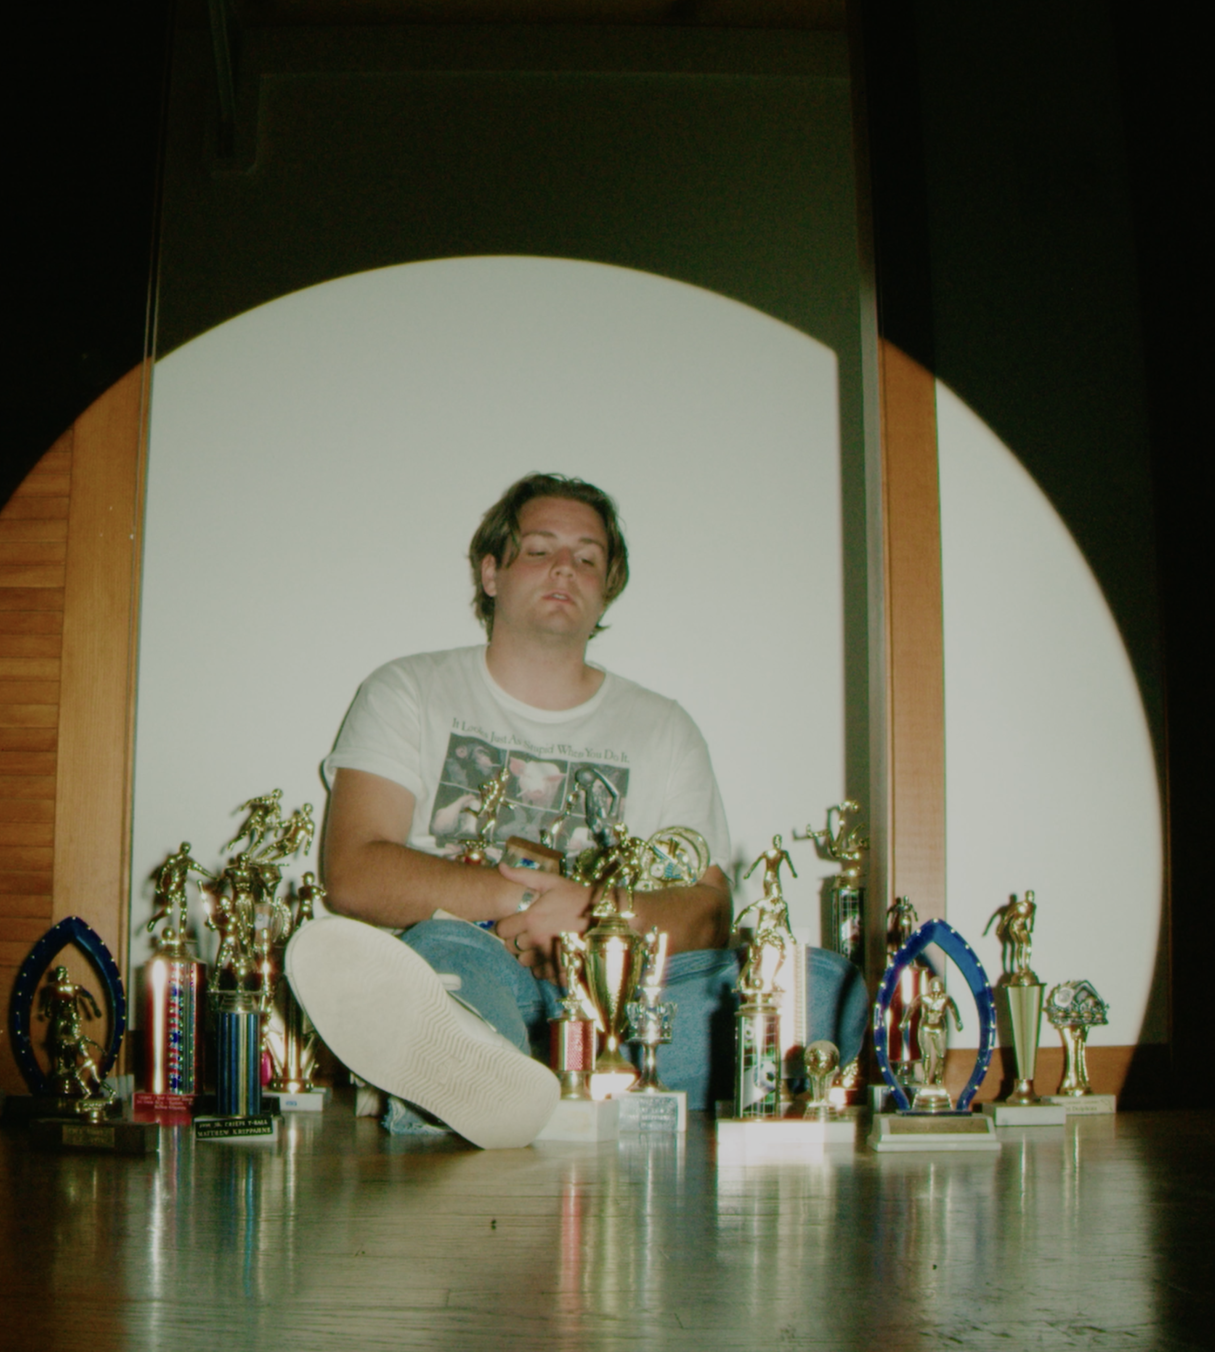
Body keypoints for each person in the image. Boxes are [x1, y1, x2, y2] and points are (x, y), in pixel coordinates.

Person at [283, 473, 867, 1148]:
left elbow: (708, 912)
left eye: (587, 558)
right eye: (539, 549)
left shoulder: (664, 727)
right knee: (443, 956)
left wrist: (592, 916)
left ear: (606, 589)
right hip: (472, 959)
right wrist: (525, 903)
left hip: (625, 999)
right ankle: (509, 1074)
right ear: (491, 573)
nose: (565, 567)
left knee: (822, 987)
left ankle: (500, 1089)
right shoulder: (408, 689)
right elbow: (354, 872)